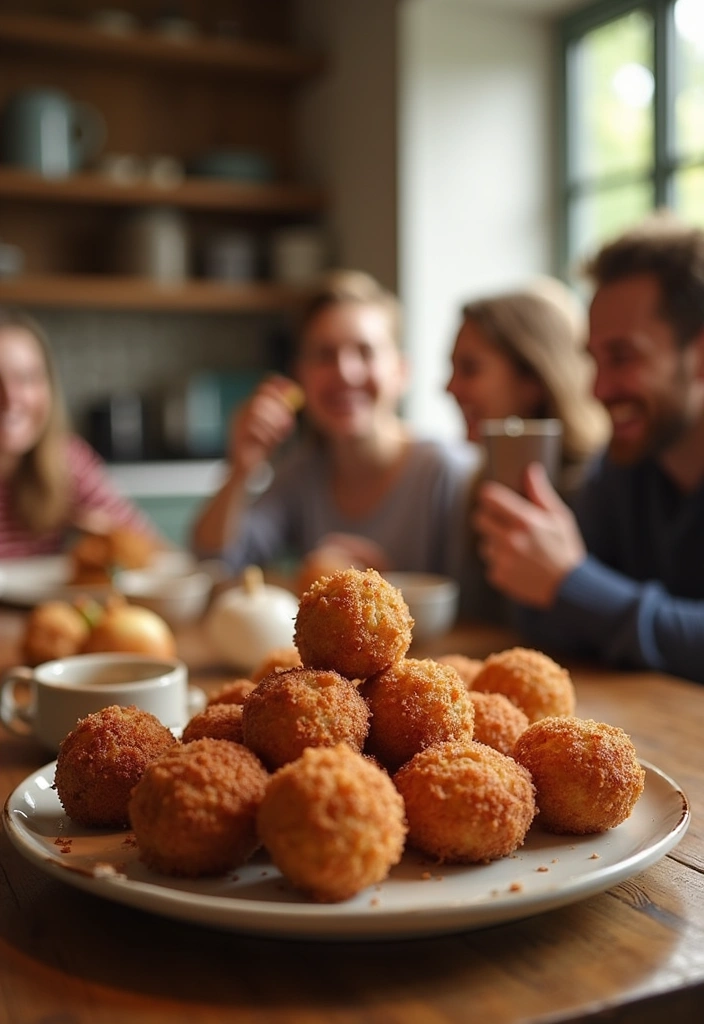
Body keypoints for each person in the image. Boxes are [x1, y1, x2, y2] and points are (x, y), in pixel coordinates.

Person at [473, 213, 704, 684]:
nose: (597, 390)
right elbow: (553, 624)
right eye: (593, 361)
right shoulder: (621, 470)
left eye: (621, 357)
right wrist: (531, 564)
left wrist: (571, 583)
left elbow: (576, 596)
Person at [191, 270, 478, 588]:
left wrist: (387, 588)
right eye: (325, 355)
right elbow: (213, 562)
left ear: (400, 372)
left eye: (365, 352)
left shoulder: (446, 473)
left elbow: (478, 606)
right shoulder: (301, 475)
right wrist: (241, 469)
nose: (344, 372)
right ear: (302, 375)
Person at [446, 279, 607, 620]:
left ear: (532, 380)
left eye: (470, 368)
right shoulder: (476, 484)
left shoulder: (597, 486)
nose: (450, 387)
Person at [0, 309, 157, 558]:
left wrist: (109, 533)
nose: (10, 398)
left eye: (26, 378)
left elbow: (156, 551)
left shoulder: (66, 460)